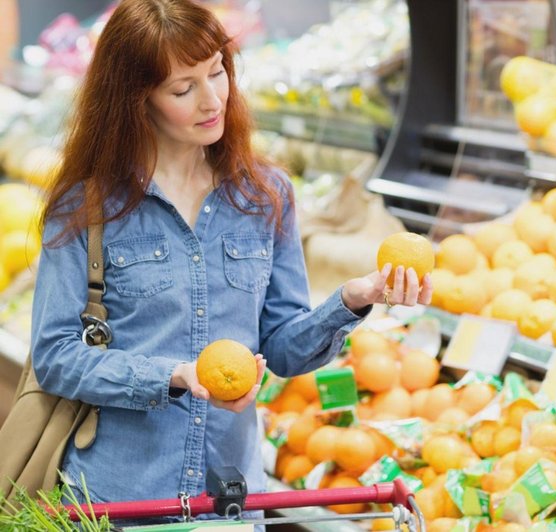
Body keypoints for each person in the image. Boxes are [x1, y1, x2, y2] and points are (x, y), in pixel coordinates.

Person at [30, 0, 432, 526]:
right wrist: (175, 376)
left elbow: (283, 350)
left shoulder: (265, 196)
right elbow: (57, 355)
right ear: (136, 100)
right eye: (183, 88)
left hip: (230, 501)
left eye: (218, 72)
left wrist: (353, 300)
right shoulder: (86, 208)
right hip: (121, 501)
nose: (212, 99)